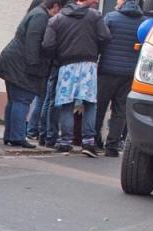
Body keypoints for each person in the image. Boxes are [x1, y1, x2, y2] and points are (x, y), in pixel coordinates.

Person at [42, 0, 111, 157]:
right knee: (90, 103)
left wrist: (58, 57)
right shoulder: (94, 16)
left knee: (66, 104)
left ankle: (66, 141)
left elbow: (47, 44)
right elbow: (105, 37)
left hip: (67, 65)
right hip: (89, 64)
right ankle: (88, 142)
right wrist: (96, 50)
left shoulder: (57, 19)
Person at [0, 0, 63, 149]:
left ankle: (10, 135)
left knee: (15, 101)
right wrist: (35, 68)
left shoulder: (36, 12)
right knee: (22, 100)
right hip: (20, 65)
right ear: (56, 7)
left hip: (13, 62)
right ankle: (17, 137)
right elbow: (33, 44)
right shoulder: (40, 17)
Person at [96, 0, 144, 156]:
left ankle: (95, 140)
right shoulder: (143, 22)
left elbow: (100, 40)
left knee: (99, 106)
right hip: (129, 73)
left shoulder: (111, 18)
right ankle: (112, 146)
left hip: (107, 70)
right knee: (120, 110)